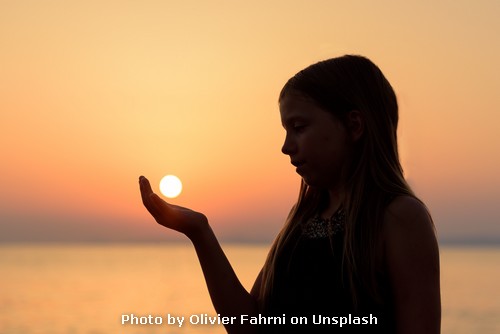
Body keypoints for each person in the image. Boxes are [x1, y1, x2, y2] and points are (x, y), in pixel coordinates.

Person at [139, 55, 441, 334]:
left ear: (354, 125)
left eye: (298, 127)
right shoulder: (303, 218)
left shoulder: (399, 217)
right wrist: (199, 231)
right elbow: (249, 326)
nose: (286, 146)